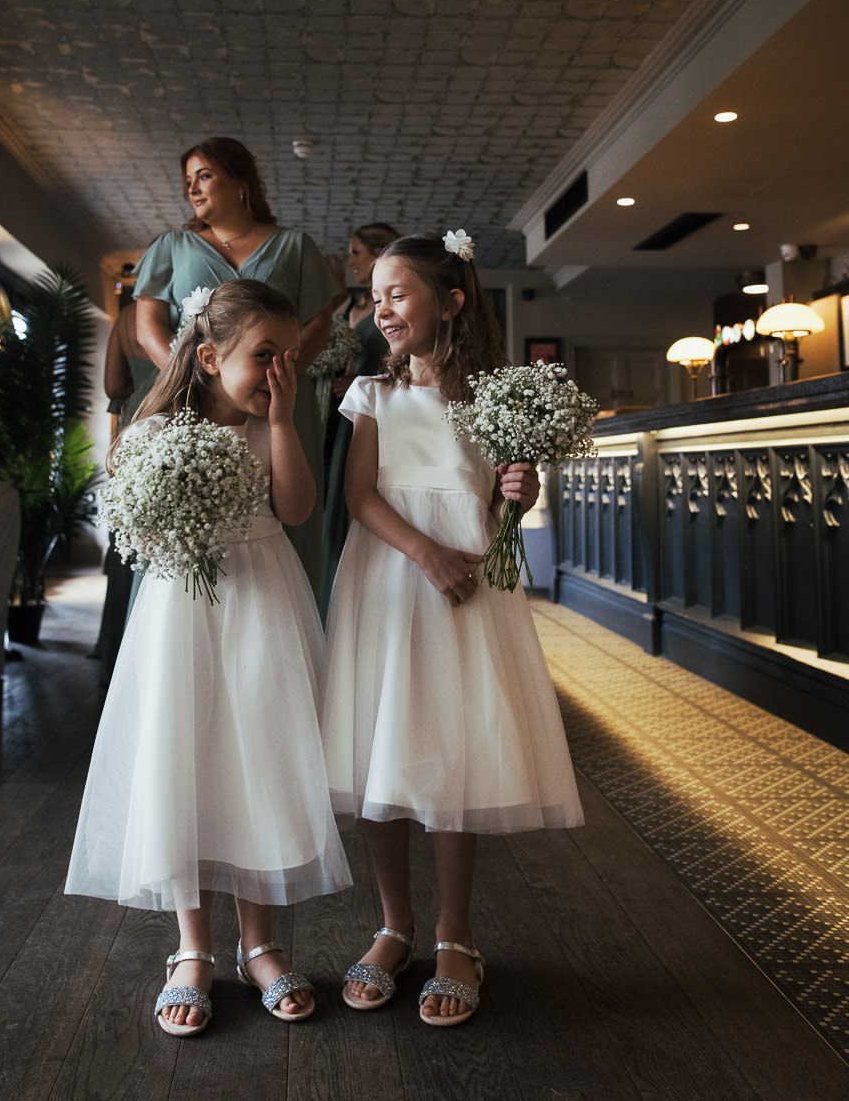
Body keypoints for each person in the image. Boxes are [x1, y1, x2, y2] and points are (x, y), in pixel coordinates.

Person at [67, 280, 352, 1037]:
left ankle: (260, 942)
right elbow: (129, 529)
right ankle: (192, 949)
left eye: (290, 358)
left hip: (262, 606)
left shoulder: (271, 426)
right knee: (184, 759)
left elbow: (296, 512)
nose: (279, 373)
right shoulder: (152, 433)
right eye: (265, 357)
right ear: (207, 357)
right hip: (180, 618)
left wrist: (286, 419)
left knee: (257, 760)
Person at [322, 231, 583, 1028]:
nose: (382, 308)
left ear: (452, 302)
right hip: (392, 575)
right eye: (376, 296)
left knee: (450, 752)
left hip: (469, 584)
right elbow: (359, 497)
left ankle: (454, 937)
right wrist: (423, 551)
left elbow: (502, 508)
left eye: (398, 293)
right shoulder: (373, 393)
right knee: (382, 748)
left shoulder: (497, 396)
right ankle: (394, 923)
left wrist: (520, 489)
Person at [132, 137, 340, 599]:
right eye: (187, 181)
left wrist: (274, 380)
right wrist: (200, 381)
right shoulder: (172, 246)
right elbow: (147, 325)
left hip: (277, 399)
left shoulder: (293, 245)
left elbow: (319, 323)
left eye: (204, 175)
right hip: (194, 401)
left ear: (240, 180)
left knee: (284, 514)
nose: (193, 189)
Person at [320, 222, 398, 619]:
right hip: (337, 418)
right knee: (334, 496)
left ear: (379, 253)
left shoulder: (392, 312)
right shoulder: (351, 309)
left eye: (356, 253)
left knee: (364, 492)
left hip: (375, 413)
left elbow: (401, 363)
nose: (351, 261)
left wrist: (360, 381)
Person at [92, 293, 156, 686]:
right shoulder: (189, 306)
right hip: (179, 414)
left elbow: (113, 384)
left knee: (130, 537)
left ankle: (117, 644)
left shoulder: (129, 317)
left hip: (136, 420)